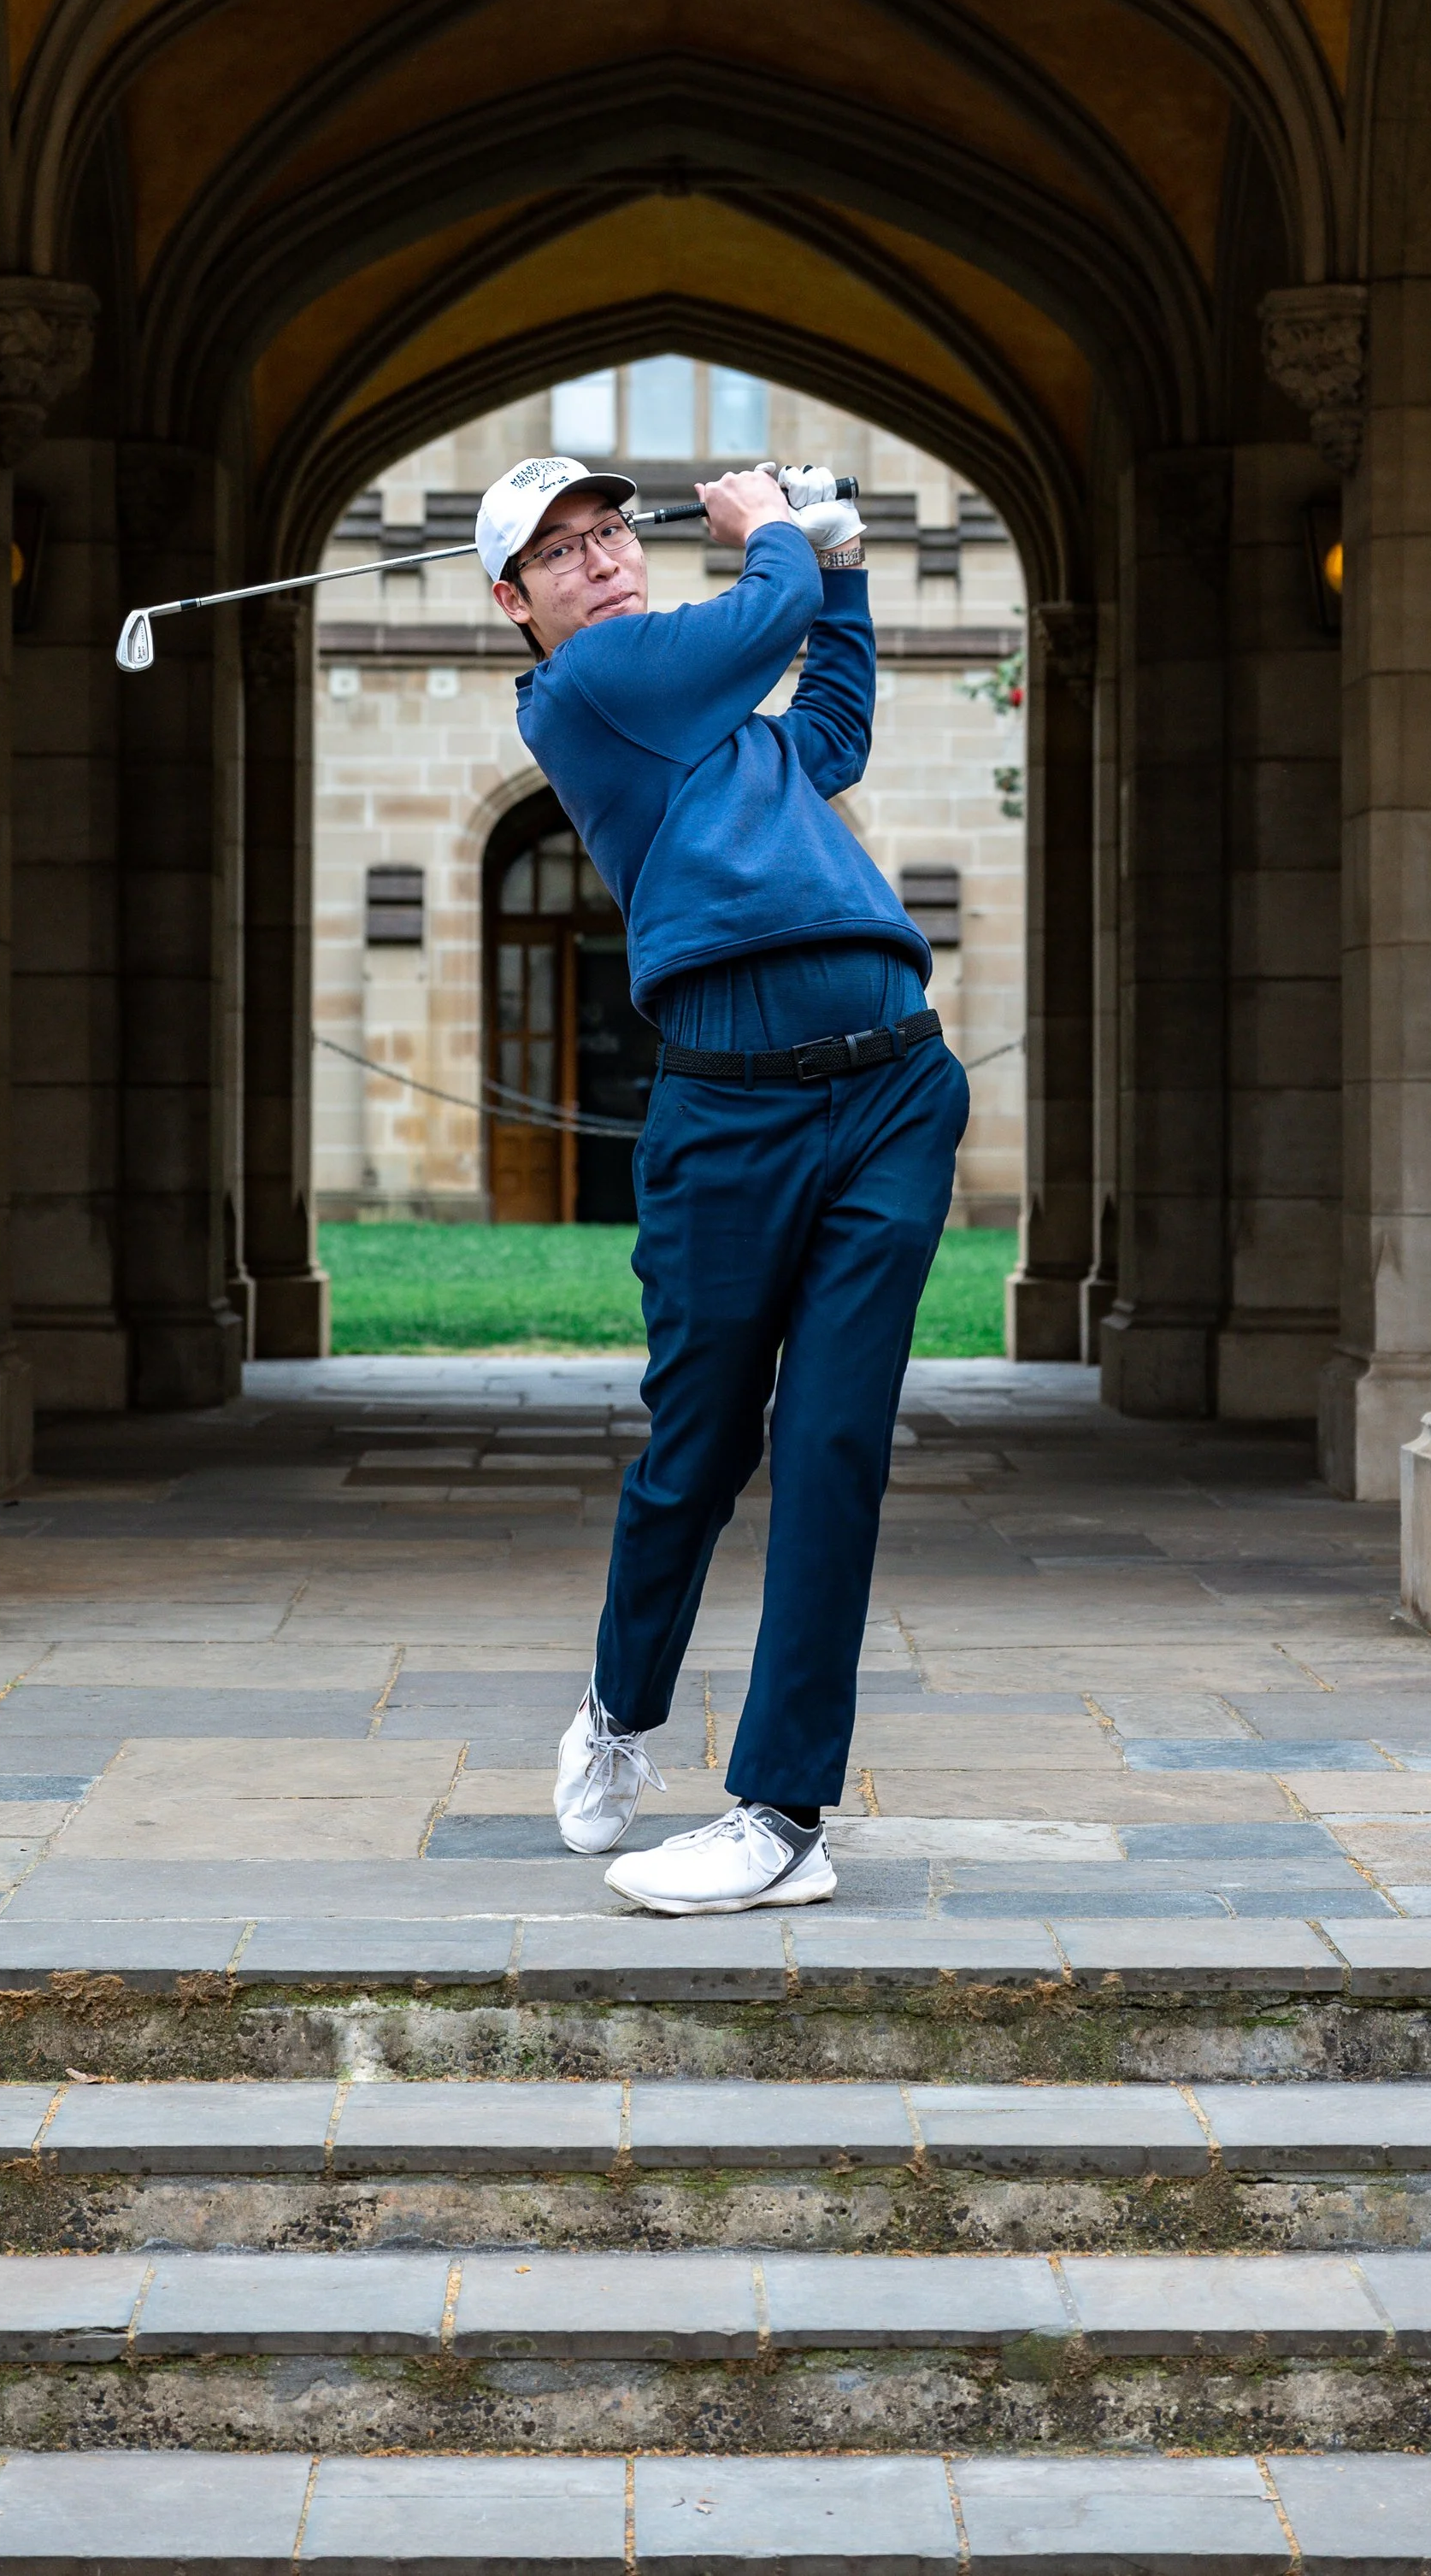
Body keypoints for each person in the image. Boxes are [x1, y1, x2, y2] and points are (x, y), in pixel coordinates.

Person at [474, 448, 970, 1915]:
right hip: (727, 1115)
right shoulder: (581, 695)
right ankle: (623, 1711)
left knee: (830, 1442)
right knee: (699, 1442)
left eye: (613, 529)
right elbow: (765, 625)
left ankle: (780, 1814)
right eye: (560, 552)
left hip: (893, 1088)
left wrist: (853, 564)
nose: (606, 554)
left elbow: (827, 722)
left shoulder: (714, 730)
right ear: (516, 604)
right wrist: (776, 539)